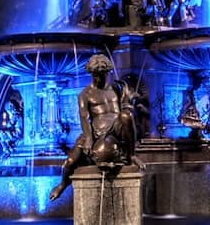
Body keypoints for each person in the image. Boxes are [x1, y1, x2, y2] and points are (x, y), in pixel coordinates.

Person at [49, 54, 143, 201]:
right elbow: (84, 118)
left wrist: (129, 101)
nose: (99, 78)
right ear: (91, 74)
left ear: (108, 73)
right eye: (96, 75)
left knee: (126, 116)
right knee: (69, 162)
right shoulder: (85, 94)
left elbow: (125, 108)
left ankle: (132, 155)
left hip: (116, 127)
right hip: (95, 130)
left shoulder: (117, 88)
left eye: (102, 75)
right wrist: (89, 138)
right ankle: (62, 184)